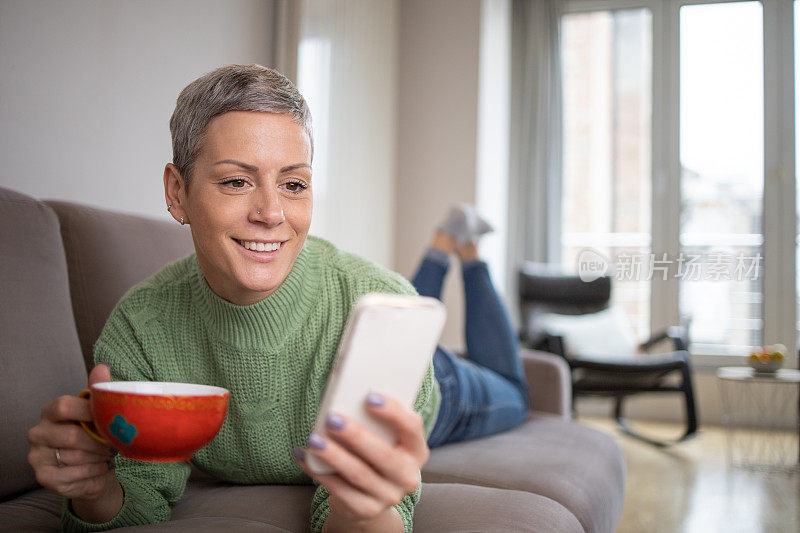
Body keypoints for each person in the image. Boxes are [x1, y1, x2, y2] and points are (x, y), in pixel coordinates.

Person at [25, 65, 529, 533]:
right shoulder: (141, 329)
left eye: (293, 184)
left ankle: (465, 253)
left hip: (432, 382)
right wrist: (93, 490)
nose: (271, 213)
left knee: (516, 391)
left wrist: (364, 507)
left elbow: (374, 511)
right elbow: (136, 497)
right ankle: (449, 243)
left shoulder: (369, 297)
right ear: (177, 192)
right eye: (237, 181)